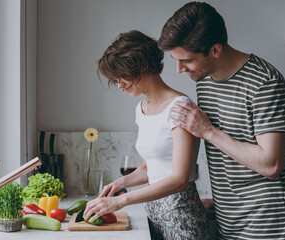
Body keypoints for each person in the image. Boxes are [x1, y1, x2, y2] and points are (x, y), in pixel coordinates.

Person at [158, 2, 285, 239]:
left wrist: (209, 131)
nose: (179, 69)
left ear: (215, 50)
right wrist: (225, 198)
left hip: (267, 228)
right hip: (229, 222)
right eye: (176, 60)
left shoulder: (265, 82)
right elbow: (232, 152)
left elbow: (271, 164)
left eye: (187, 60)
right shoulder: (204, 80)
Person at [83, 30, 210, 239]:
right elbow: (148, 169)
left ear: (141, 65)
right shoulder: (141, 109)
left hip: (182, 216)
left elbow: (180, 180)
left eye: (121, 75)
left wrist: (121, 200)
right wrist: (120, 184)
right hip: (153, 213)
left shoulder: (180, 106)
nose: (118, 84)